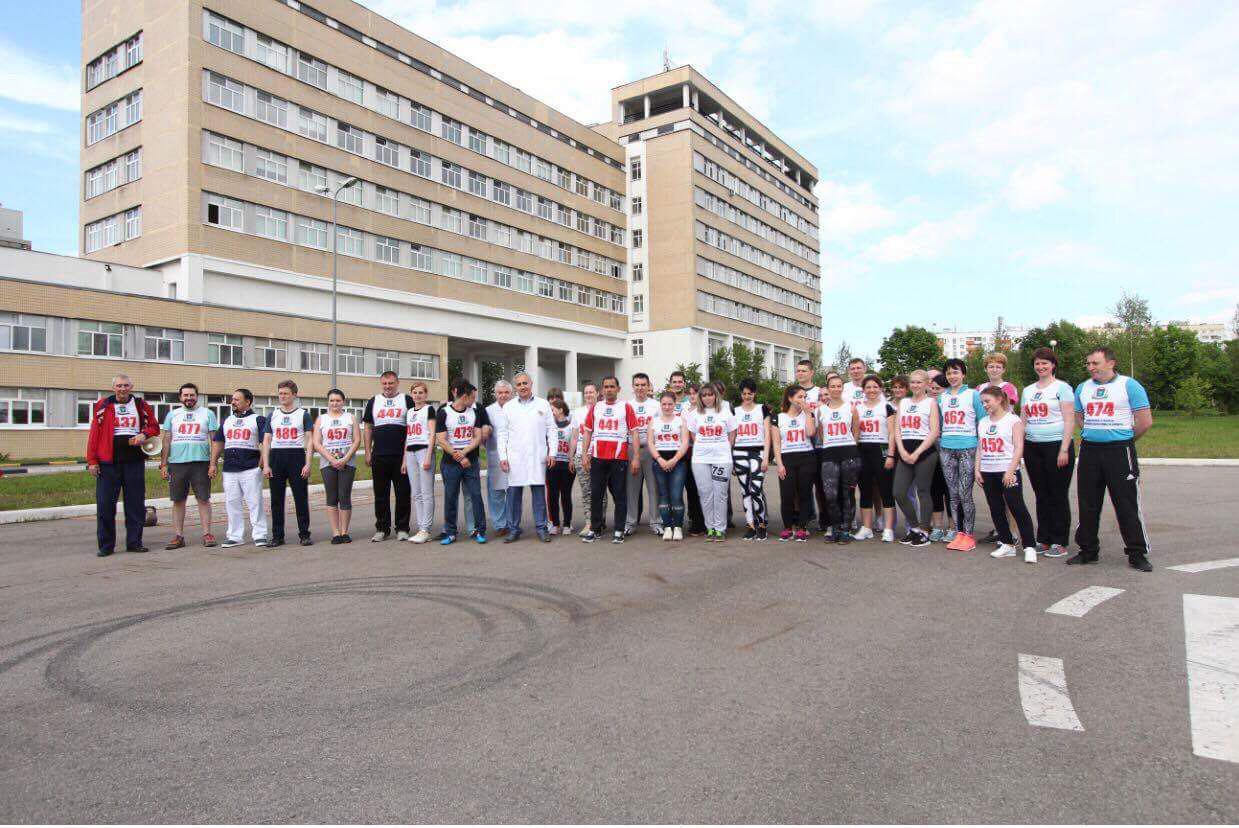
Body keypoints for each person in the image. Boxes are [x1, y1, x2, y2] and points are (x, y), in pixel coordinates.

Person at [1068, 347, 1154, 572]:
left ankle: (1137, 553)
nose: (1091, 368)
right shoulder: (1082, 388)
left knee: (1126, 503)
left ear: (1111, 363)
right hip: (1090, 451)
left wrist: (1123, 439)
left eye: (1095, 363)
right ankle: (1088, 550)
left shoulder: (1129, 385)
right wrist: (1096, 434)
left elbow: (1144, 421)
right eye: (1088, 364)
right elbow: (1080, 418)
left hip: (1119, 450)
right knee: (1088, 502)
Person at [87, 374, 160, 557]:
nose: (122, 389)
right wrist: (92, 461)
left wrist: (143, 434)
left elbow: (154, 427)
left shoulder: (141, 405)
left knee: (135, 505)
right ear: (113, 388)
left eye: (126, 385)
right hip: (107, 462)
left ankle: (134, 542)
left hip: (134, 462)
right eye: (119, 386)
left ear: (131, 387)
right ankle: (106, 546)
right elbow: (94, 434)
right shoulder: (103, 406)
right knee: (105, 506)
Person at [1020, 348, 1076, 557]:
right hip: (1033, 446)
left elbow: (1069, 419)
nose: (1041, 367)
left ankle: (1059, 541)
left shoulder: (1062, 388)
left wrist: (1064, 449)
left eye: (1045, 363)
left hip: (1057, 446)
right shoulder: (1028, 390)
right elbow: (1023, 419)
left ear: (1053, 365)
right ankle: (1043, 538)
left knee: (1057, 494)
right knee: (1041, 494)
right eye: (1037, 363)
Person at [975, 386, 1038, 563]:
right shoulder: (983, 422)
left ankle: (1029, 546)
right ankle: (1007, 544)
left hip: (1007, 471)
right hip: (988, 471)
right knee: (996, 509)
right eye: (982, 402)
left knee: (1017, 507)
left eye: (987, 401)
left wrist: (1010, 471)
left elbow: (1019, 447)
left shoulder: (1013, 420)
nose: (984, 405)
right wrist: (977, 469)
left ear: (999, 399)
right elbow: (980, 447)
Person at [159, 382, 219, 549]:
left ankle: (207, 534)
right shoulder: (172, 415)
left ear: (196, 396)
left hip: (201, 463)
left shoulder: (208, 414)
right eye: (185, 395)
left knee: (203, 499)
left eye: (192, 395)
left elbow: (214, 440)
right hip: (177, 464)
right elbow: (166, 440)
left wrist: (213, 463)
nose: (189, 398)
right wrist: (163, 464)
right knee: (178, 500)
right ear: (180, 397)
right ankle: (178, 536)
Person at [580, 376, 639, 544]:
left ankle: (619, 530)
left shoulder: (625, 407)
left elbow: (634, 432)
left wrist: (636, 457)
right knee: (596, 494)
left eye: (612, 386)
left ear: (618, 389)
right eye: (606, 387)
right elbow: (588, 432)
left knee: (620, 494)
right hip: (598, 457)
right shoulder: (596, 407)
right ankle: (595, 529)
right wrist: (584, 454)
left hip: (618, 458)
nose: (609, 389)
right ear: (602, 390)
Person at [499, 372, 557, 544]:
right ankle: (514, 529)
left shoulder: (543, 404)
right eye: (519, 384)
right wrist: (503, 456)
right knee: (513, 496)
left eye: (525, 383)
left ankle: (541, 528)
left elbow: (552, 430)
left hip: (536, 456)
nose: (523, 386)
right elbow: (502, 433)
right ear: (515, 387)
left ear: (531, 384)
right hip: (515, 457)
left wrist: (551, 452)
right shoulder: (509, 407)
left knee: (539, 495)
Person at [937, 359, 986, 552]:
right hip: (947, 448)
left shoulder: (974, 394)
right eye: (949, 373)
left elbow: (982, 422)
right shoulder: (942, 397)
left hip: (968, 447)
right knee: (953, 494)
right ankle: (958, 533)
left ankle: (969, 534)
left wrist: (981, 449)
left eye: (956, 372)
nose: (952, 376)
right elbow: (940, 423)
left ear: (963, 374)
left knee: (965, 494)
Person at [436, 378, 491, 545]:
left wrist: (465, 454)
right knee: (450, 497)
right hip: (450, 463)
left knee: (475, 495)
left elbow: (478, 437)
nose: (474, 400)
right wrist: (457, 455)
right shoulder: (444, 412)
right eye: (472, 397)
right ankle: (451, 532)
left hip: (471, 462)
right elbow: (442, 439)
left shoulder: (473, 413)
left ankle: (480, 531)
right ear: (464, 395)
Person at [362, 371, 414, 542]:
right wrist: (368, 452)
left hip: (401, 456)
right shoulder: (374, 401)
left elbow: (412, 429)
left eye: (391, 383)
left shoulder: (407, 400)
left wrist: (407, 456)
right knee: (380, 494)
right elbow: (368, 427)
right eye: (384, 383)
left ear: (397, 383)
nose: (388, 386)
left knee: (403, 493)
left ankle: (402, 528)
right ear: (381, 384)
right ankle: (382, 528)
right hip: (380, 456)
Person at [261, 380, 314, 548]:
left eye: (286, 393)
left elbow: (310, 440)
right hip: (277, 457)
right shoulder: (273, 415)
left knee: (300, 498)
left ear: (294, 395)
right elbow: (267, 440)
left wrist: (307, 464)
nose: (282, 396)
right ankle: (277, 536)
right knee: (276, 499)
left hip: (296, 456)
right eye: (280, 393)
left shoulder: (303, 414)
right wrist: (267, 465)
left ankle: (304, 534)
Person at [215, 388, 268, 548]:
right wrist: (212, 463)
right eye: (233, 399)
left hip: (250, 468)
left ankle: (260, 534)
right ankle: (235, 536)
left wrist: (262, 462)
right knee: (232, 502)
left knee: (255, 502)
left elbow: (265, 442)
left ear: (248, 402)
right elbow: (218, 442)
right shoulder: (227, 421)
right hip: (230, 468)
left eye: (237, 399)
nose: (233, 402)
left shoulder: (258, 419)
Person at [893, 370, 940, 547]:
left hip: (925, 452)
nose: (915, 385)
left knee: (923, 491)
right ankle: (914, 527)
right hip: (905, 451)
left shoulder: (931, 403)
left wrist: (917, 452)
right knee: (899, 492)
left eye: (919, 382)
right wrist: (902, 451)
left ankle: (925, 531)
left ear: (927, 384)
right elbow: (897, 429)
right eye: (913, 382)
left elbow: (934, 431)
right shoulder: (904, 402)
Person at [684, 382, 736, 541]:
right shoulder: (694, 415)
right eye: (704, 395)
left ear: (716, 395)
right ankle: (710, 528)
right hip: (700, 459)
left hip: (721, 458)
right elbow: (694, 436)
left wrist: (722, 448)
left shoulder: (726, 412)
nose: (707, 398)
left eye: (710, 394)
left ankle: (720, 528)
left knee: (720, 493)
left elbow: (732, 434)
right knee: (705, 494)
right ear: (700, 397)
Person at [816, 375, 862, 544]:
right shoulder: (821, 409)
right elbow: (821, 433)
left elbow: (856, 430)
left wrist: (850, 445)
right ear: (828, 389)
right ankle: (834, 526)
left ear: (842, 388)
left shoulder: (851, 407)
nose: (836, 389)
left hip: (849, 453)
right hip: (829, 454)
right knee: (830, 494)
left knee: (847, 493)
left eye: (838, 386)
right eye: (832, 386)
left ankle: (845, 529)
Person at [313, 389, 359, 544]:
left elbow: (356, 441)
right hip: (328, 463)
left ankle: (345, 532)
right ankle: (335, 533)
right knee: (332, 497)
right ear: (328, 402)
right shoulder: (321, 419)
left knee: (344, 496)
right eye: (332, 400)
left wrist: (345, 459)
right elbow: (317, 443)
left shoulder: (351, 418)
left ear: (343, 402)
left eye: (338, 400)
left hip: (348, 462)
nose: (335, 403)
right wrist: (332, 460)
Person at [855, 374, 897, 542]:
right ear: (863, 390)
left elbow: (893, 433)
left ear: (880, 388)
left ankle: (888, 528)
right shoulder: (857, 408)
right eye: (868, 387)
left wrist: (891, 454)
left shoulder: (886, 407)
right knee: (865, 491)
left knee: (885, 490)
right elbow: (855, 431)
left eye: (875, 387)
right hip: (863, 449)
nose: (871, 390)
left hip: (881, 449)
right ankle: (866, 527)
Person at [773, 384, 817, 542]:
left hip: (806, 457)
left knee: (805, 493)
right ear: (790, 398)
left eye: (805, 397)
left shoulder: (808, 414)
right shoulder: (778, 417)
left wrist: (808, 413)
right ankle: (787, 527)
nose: (803, 400)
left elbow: (811, 433)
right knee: (787, 495)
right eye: (799, 397)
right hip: (787, 459)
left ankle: (802, 527)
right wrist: (779, 464)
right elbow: (776, 443)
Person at [732, 378, 771, 541]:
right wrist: (731, 458)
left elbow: (767, 435)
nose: (747, 396)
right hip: (739, 453)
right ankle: (750, 525)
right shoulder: (735, 411)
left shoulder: (762, 409)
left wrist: (766, 458)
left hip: (758, 453)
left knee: (755, 489)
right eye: (744, 393)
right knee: (745, 491)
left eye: (750, 393)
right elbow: (732, 436)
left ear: (754, 393)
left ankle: (761, 523)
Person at [625, 372, 662, 537]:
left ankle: (656, 522)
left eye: (643, 385)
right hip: (632, 450)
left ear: (648, 386)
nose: (640, 388)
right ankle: (630, 522)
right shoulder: (627, 405)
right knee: (631, 489)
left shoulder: (656, 405)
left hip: (651, 449)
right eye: (637, 385)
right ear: (633, 387)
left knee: (654, 488)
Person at [650, 391, 690, 541]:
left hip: (678, 462)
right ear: (660, 405)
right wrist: (659, 459)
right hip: (659, 461)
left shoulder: (681, 421)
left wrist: (675, 459)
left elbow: (685, 442)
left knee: (676, 495)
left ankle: (678, 527)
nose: (667, 407)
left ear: (675, 405)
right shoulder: (654, 421)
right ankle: (667, 526)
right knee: (663, 495)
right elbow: (650, 443)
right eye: (664, 404)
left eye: (670, 404)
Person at [794, 358, 827, 534]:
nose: (800, 373)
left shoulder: (819, 392)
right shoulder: (792, 392)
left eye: (804, 370)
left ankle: (824, 517)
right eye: (798, 370)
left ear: (811, 373)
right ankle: (803, 518)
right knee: (800, 486)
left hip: (819, 443)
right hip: (800, 442)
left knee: (820, 485)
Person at [402, 380, 437, 544]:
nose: (418, 395)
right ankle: (421, 527)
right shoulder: (409, 412)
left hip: (424, 450)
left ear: (426, 394)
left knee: (426, 492)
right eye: (415, 392)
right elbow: (407, 436)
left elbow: (432, 434)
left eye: (421, 392)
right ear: (411, 395)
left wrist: (429, 456)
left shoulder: (429, 409)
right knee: (416, 493)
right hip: (410, 452)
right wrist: (404, 460)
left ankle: (426, 529)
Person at [571, 382, 602, 536]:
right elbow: (575, 436)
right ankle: (589, 522)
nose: (589, 395)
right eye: (586, 392)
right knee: (586, 491)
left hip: (598, 456)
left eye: (592, 392)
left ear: (597, 393)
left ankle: (599, 522)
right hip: (580, 456)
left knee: (599, 491)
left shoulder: (603, 410)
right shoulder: (578, 412)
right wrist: (571, 457)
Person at [485, 380, 514, 538]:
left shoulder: (516, 408)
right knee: (496, 493)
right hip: (495, 456)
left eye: (506, 392)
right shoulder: (488, 411)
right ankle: (500, 524)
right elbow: (484, 433)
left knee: (513, 491)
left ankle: (512, 522)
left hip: (515, 456)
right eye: (500, 393)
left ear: (511, 393)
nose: (503, 395)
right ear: (495, 394)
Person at [926, 371, 951, 542]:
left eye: (939, 388)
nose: (935, 391)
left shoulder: (949, 405)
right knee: (934, 489)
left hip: (949, 450)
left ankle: (953, 526)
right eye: (932, 388)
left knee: (950, 490)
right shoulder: (926, 405)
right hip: (930, 451)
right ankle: (937, 526)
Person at [547, 398, 576, 535]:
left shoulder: (571, 426)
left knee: (565, 494)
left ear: (560, 410)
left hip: (566, 464)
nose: (551, 412)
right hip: (552, 464)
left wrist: (571, 460)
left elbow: (573, 445)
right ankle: (555, 524)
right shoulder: (549, 425)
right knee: (553, 495)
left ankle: (567, 524)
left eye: (552, 409)